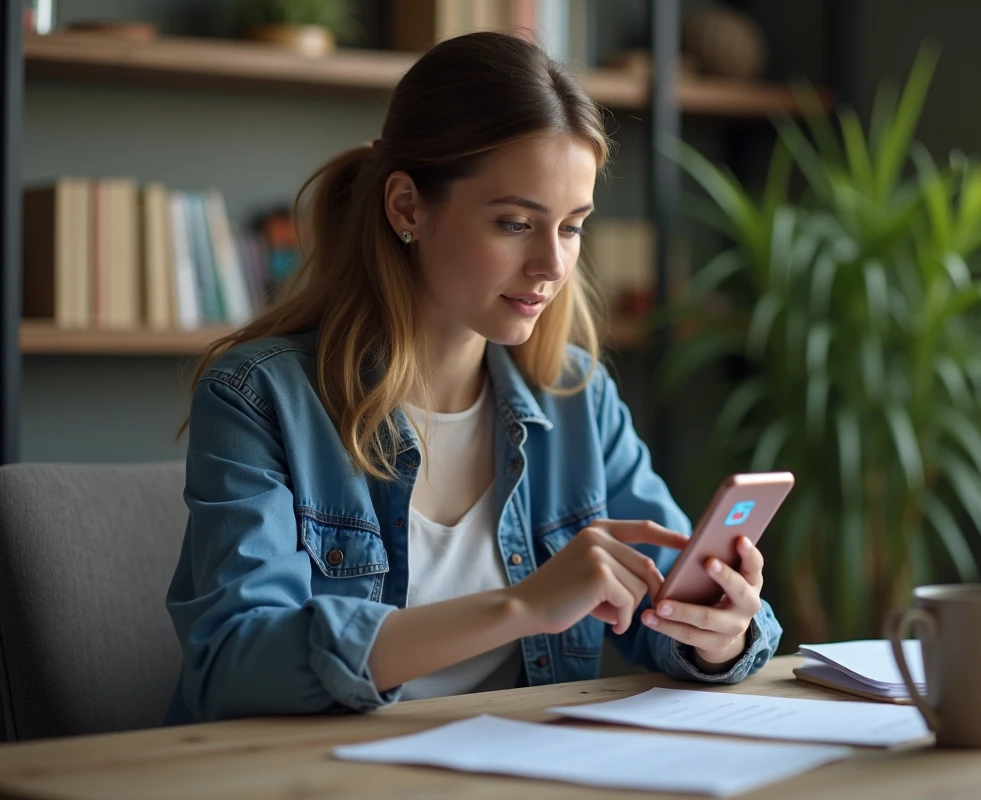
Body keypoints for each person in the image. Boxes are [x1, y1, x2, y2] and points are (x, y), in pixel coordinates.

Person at [164, 31, 783, 724]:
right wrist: (520, 607)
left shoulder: (577, 397)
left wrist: (719, 637)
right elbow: (234, 662)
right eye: (516, 223)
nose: (551, 264)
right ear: (407, 208)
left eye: (572, 227)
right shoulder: (260, 398)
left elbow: (661, 611)